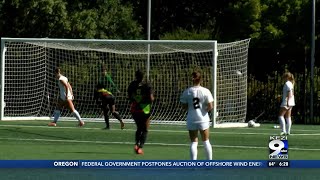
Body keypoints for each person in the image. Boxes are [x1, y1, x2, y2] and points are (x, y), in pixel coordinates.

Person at [180, 71, 213, 160]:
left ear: (192, 79)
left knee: (194, 142)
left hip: (191, 119)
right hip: (203, 119)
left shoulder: (187, 91)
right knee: (206, 141)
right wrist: (204, 111)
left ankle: (193, 165)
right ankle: (209, 163)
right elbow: (210, 106)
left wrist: (191, 109)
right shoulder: (206, 91)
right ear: (200, 79)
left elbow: (183, 106)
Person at [127, 70, 154, 154]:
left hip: (134, 109)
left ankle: (136, 144)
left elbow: (129, 96)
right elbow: (151, 98)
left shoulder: (132, 84)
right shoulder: (147, 85)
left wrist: (136, 99)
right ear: (143, 76)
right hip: (144, 110)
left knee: (139, 127)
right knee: (145, 129)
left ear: (135, 75)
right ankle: (140, 147)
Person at [95, 64, 124, 130]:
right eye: (103, 71)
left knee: (105, 111)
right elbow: (113, 85)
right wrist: (117, 90)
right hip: (111, 96)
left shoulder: (104, 78)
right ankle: (121, 121)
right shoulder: (105, 77)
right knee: (113, 111)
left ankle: (108, 126)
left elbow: (111, 85)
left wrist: (117, 90)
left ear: (105, 71)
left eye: (104, 71)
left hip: (105, 96)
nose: (103, 72)